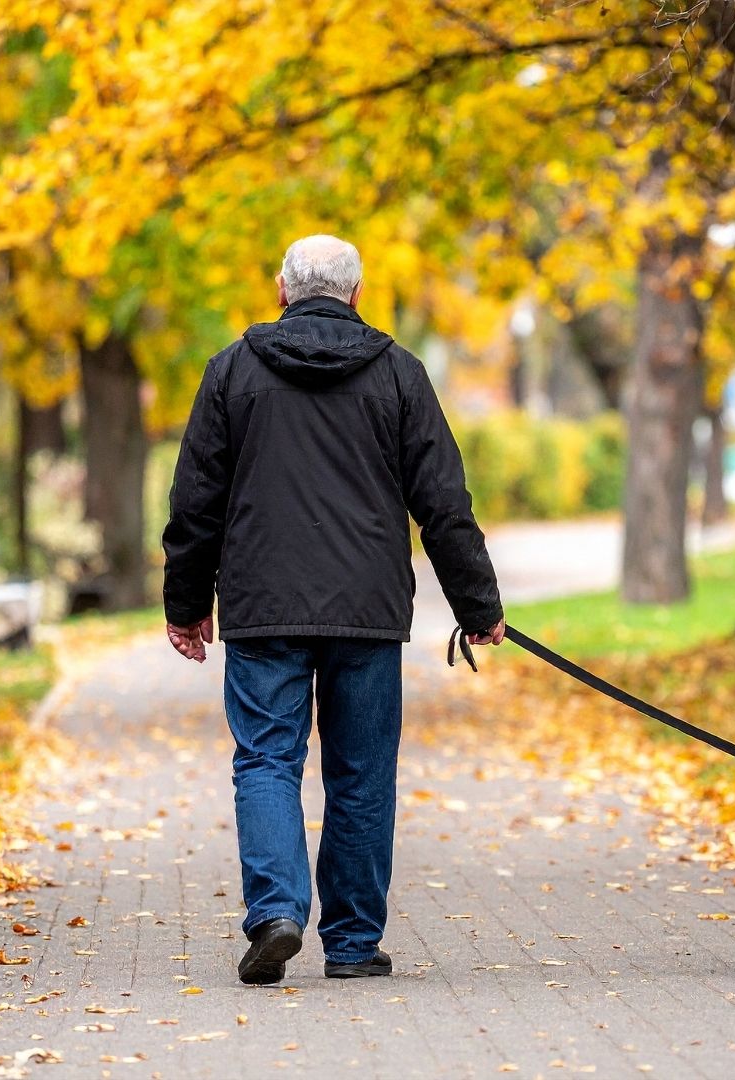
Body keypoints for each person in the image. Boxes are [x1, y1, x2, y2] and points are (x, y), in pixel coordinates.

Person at [162, 234, 504, 984]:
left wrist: (186, 604)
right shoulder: (399, 373)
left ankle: (276, 914)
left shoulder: (232, 371)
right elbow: (443, 502)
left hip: (264, 607)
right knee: (361, 774)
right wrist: (478, 604)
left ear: (282, 289)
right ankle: (351, 944)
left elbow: (195, 501)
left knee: (266, 760)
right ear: (356, 294)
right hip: (367, 610)